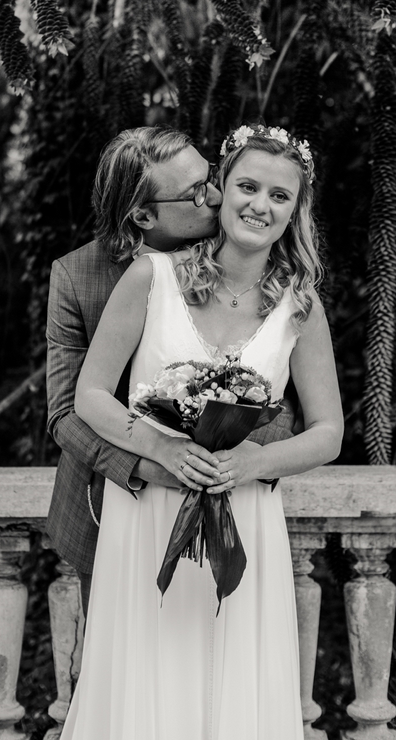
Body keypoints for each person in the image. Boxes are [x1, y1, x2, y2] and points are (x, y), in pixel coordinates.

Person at [49, 125, 344, 740]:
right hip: (147, 513)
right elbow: (87, 397)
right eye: (246, 186)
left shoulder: (301, 306)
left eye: (280, 196)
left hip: (245, 510)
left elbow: (328, 432)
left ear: (297, 210)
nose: (259, 205)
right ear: (225, 189)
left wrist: (255, 462)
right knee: (147, 680)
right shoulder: (150, 277)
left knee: (233, 682)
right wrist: (158, 450)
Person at [45, 126, 296, 616]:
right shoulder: (78, 277)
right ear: (144, 215)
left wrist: (232, 458)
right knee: (117, 654)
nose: (216, 196)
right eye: (196, 192)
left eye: (211, 177)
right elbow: (66, 413)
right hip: (110, 499)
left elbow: (279, 386)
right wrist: (156, 460)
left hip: (231, 499)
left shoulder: (248, 248)